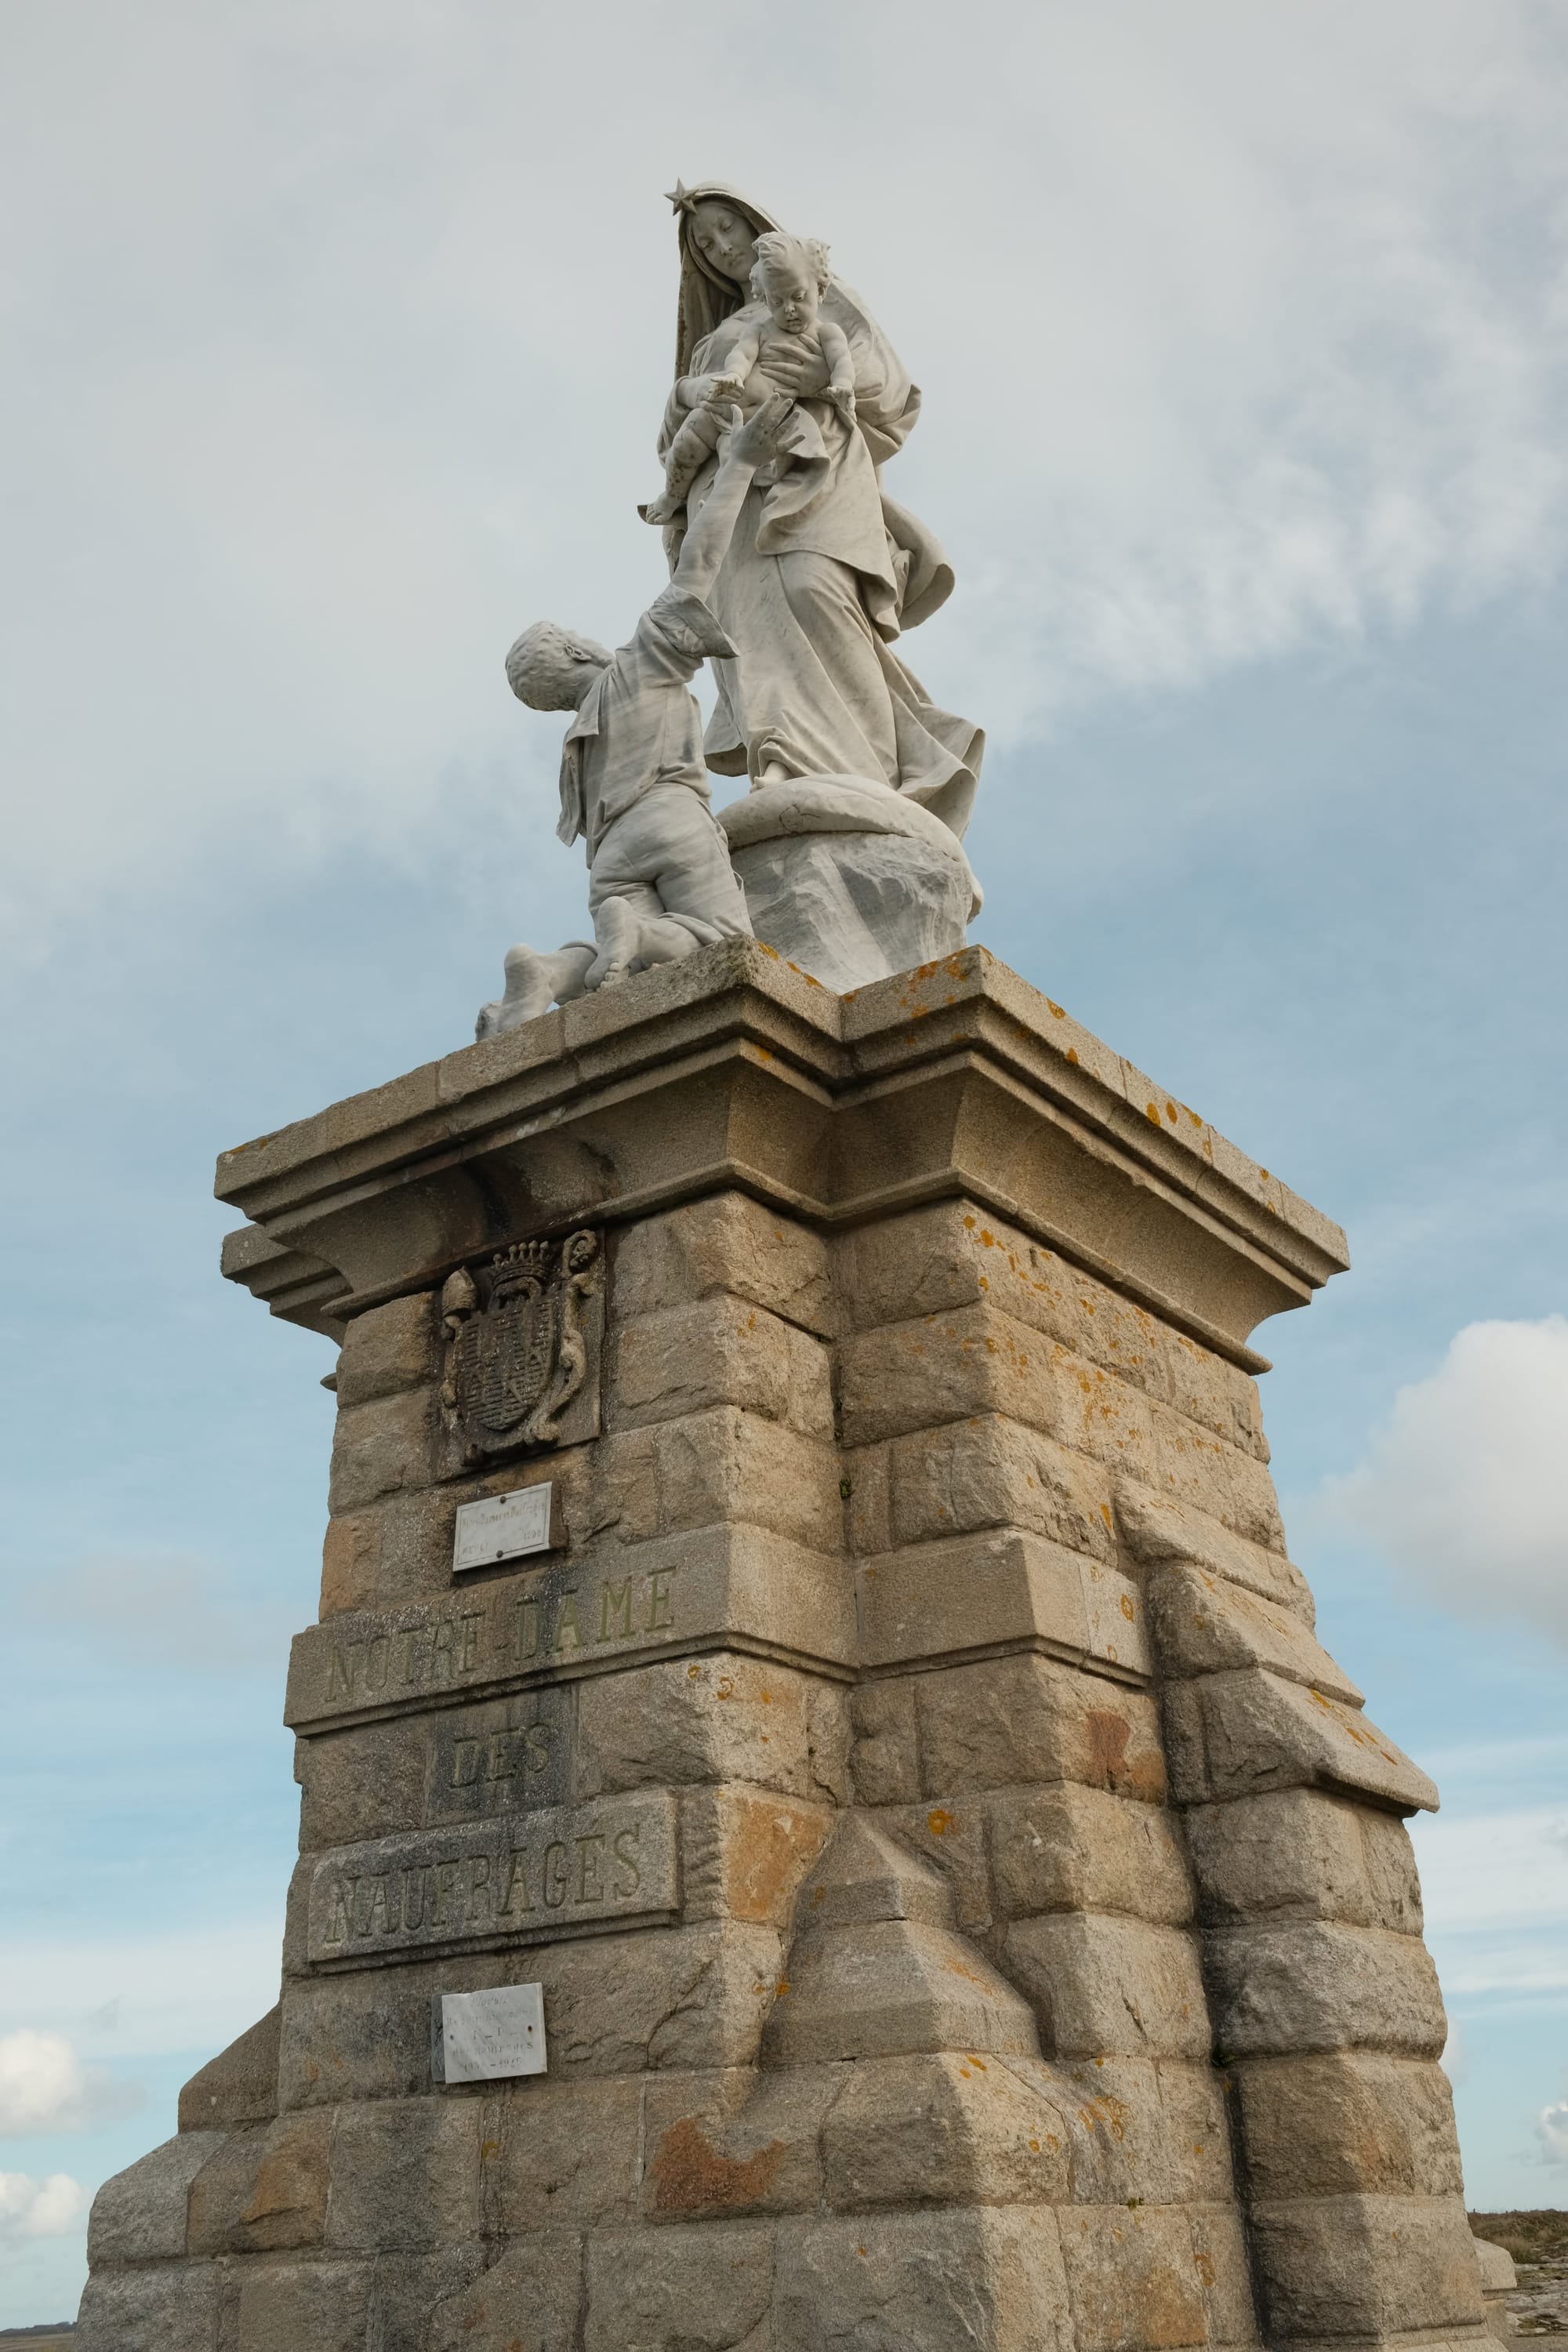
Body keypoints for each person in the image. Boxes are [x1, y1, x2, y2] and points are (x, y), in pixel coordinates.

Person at [659, 183, 982, 830]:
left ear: (757, 227)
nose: (722, 247)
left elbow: (889, 392)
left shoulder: (825, 303)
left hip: (820, 471)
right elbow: (675, 425)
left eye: (728, 228)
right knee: (747, 628)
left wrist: (809, 378)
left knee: (817, 592)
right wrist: (696, 398)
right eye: (705, 243)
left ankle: (877, 771)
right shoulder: (718, 335)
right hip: (731, 490)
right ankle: (778, 760)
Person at [475, 397, 792, 1038]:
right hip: (669, 820)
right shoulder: (637, 668)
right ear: (576, 651)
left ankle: (551, 973)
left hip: (609, 858)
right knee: (724, 937)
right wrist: (740, 463)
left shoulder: (578, 746)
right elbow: (698, 563)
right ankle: (640, 931)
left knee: (631, 968)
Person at [642, 232, 855, 528]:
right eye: (777, 302)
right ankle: (672, 495)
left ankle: (719, 509)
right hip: (729, 407)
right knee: (685, 444)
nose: (789, 309)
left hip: (767, 421)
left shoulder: (827, 332)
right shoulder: (759, 329)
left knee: (737, 463)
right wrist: (733, 376)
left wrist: (841, 385)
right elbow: (741, 356)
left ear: (819, 289)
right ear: (765, 299)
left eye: (798, 297)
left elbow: (842, 361)